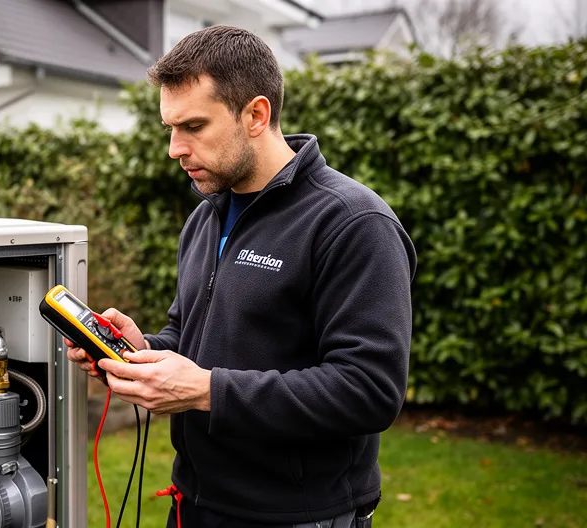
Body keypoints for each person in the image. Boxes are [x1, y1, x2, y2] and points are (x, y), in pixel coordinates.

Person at [65, 25, 417, 528]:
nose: (174, 148)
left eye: (193, 126)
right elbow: (195, 337)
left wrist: (207, 390)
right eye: (170, 127)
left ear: (256, 115)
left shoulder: (354, 224)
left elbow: (369, 390)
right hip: (194, 503)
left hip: (297, 516)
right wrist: (143, 350)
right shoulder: (206, 217)